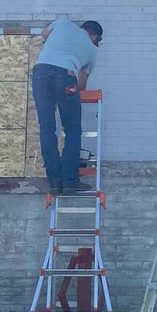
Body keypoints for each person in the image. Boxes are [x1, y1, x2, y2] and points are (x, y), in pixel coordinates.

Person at [31, 19, 103, 195]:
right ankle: (70, 181)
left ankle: (55, 182)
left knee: (47, 128)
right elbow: (82, 85)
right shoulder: (92, 50)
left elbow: (44, 35)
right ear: (94, 36)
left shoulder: (63, 23)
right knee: (72, 129)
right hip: (66, 75)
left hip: (40, 73)